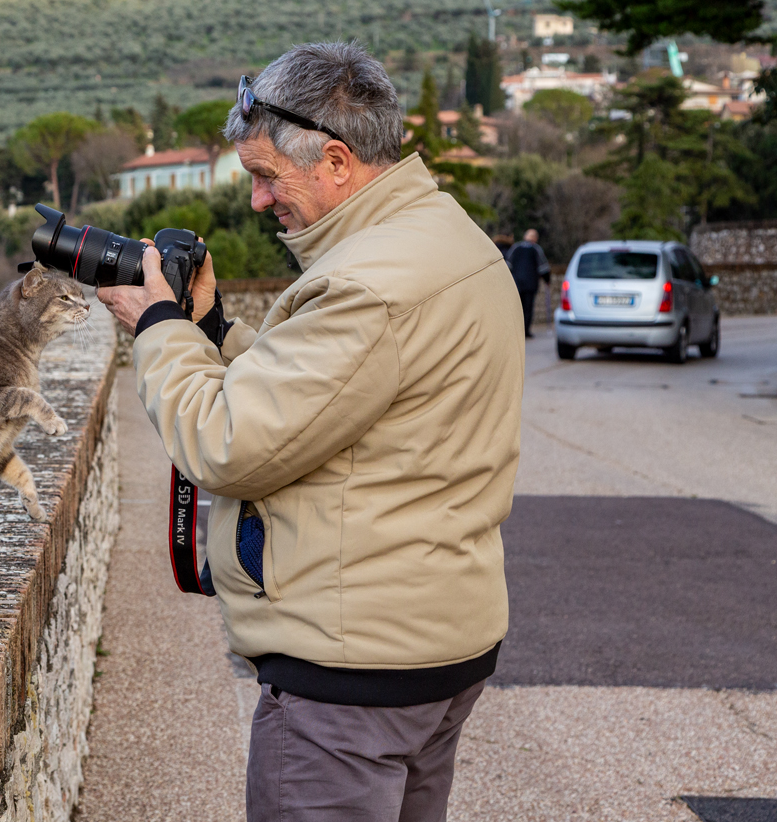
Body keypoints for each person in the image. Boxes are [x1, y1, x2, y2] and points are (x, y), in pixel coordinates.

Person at [98, 42, 524, 822]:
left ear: (334, 159)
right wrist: (211, 331)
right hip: (434, 647)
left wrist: (156, 326)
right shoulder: (443, 236)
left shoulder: (367, 284)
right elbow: (334, 395)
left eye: (267, 175)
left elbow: (224, 446)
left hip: (351, 678)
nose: (258, 200)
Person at [506, 229, 551, 337]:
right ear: (535, 238)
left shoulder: (516, 247)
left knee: (517, 307)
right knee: (528, 308)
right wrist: (547, 280)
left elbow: (507, 265)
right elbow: (543, 268)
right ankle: (525, 331)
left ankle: (516, 330)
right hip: (530, 284)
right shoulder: (536, 249)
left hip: (516, 284)